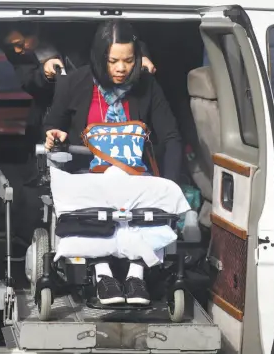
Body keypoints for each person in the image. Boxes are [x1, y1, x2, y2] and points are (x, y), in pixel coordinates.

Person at [44, 20, 183, 306]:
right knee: (104, 193)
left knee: (147, 203)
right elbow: (52, 126)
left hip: (135, 175)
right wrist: (54, 135)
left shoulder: (148, 86)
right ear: (99, 57)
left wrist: (169, 183)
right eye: (113, 61)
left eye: (129, 61)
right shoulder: (73, 84)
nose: (121, 68)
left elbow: (171, 137)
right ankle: (103, 274)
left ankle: (136, 275)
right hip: (88, 173)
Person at [0, 22, 156, 146]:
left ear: (33, 32)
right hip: (51, 114)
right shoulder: (19, 55)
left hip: (96, 106)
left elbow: (114, 37)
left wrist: (139, 57)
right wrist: (45, 74)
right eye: (11, 46)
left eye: (19, 43)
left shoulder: (71, 31)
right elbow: (29, 82)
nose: (16, 50)